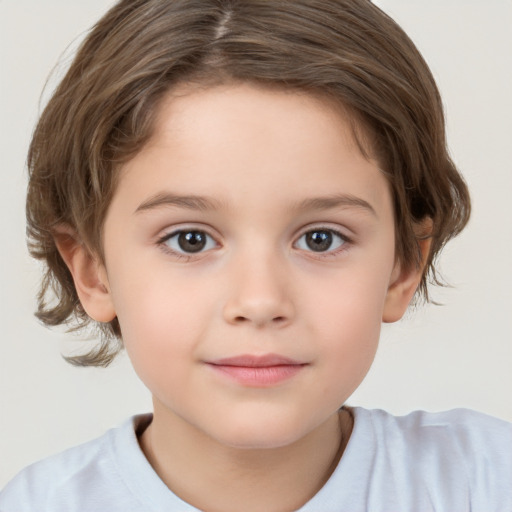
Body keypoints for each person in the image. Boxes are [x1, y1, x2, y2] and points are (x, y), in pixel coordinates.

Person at [1, 0, 510, 510]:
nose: (260, 300)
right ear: (93, 272)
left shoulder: (485, 482)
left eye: (320, 239)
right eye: (190, 240)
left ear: (402, 266)